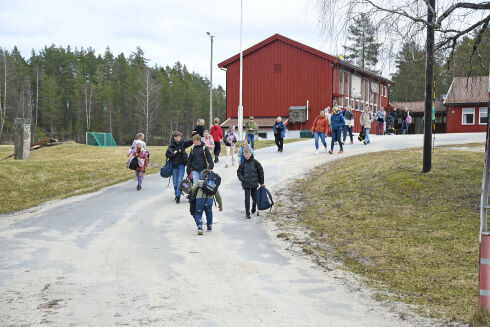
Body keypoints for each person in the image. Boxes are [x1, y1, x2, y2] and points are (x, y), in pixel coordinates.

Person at [191, 169, 223, 235]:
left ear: (202, 176)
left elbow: (192, 189)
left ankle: (200, 227)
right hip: (209, 200)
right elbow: (218, 196)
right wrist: (220, 205)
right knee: (209, 212)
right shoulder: (212, 184)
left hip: (200, 199)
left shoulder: (199, 182)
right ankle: (209, 226)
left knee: (198, 213)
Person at [166, 131, 193, 203]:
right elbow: (167, 155)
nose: (180, 138)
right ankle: (176, 193)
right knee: (175, 182)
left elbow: (190, 142)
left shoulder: (182, 143)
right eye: (178, 137)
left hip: (181, 165)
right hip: (174, 166)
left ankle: (178, 196)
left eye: (180, 137)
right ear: (174, 137)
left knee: (179, 181)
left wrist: (193, 135)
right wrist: (173, 153)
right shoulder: (171, 145)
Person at [237, 147, 264, 219]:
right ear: (243, 155)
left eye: (248, 154)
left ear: (251, 154)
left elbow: (260, 172)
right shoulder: (242, 164)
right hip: (246, 184)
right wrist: (242, 179)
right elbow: (239, 172)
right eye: (245, 154)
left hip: (254, 184)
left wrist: (261, 182)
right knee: (247, 199)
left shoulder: (255, 162)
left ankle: (254, 207)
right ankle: (247, 213)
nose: (247, 156)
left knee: (254, 198)